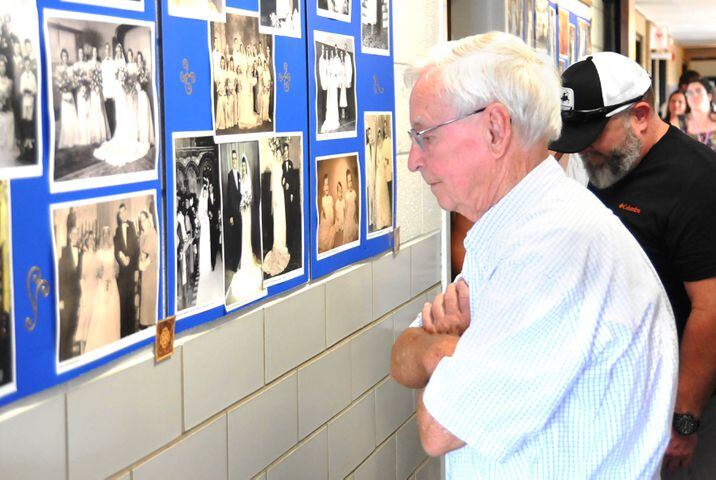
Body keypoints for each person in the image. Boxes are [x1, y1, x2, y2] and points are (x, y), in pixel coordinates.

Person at [390, 32, 678, 478]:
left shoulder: (554, 247)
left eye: (425, 136)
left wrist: (448, 348)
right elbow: (403, 356)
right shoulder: (513, 230)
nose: (413, 160)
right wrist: (453, 351)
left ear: (495, 129)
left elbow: (438, 428)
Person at [550, 52, 716, 479]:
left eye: (593, 135)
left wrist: (685, 419)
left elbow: (711, 309)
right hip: (627, 396)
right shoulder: (613, 163)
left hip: (687, 404)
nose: (584, 150)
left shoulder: (696, 182)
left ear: (640, 115)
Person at [86, 226, 120, 353]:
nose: (106, 236)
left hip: (112, 284)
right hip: (102, 286)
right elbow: (95, 271)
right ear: (102, 236)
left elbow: (116, 268)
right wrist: (102, 275)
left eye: (108, 233)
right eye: (104, 234)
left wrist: (113, 273)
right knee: (102, 314)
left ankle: (112, 342)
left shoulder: (113, 250)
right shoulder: (99, 252)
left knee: (112, 313)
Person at [262, 145, 290, 276]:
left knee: (282, 220)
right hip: (277, 195)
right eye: (278, 154)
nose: (279, 155)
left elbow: (283, 180)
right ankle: (278, 244)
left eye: (280, 154)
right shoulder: (274, 165)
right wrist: (274, 202)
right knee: (277, 220)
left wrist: (284, 181)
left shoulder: (282, 164)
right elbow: (273, 186)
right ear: (275, 154)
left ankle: (282, 242)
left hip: (282, 193)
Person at [113, 203, 139, 338]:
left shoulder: (132, 226)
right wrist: (121, 257)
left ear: (127, 212)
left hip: (131, 271)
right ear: (119, 215)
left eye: (124, 212)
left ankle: (132, 332)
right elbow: (116, 250)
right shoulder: (117, 231)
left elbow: (136, 247)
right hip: (122, 273)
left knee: (131, 302)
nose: (122, 215)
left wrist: (132, 261)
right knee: (123, 302)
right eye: (120, 213)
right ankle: (123, 334)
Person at [58, 225, 82, 361]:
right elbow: (60, 276)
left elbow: (79, 275)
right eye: (73, 233)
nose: (75, 235)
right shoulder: (64, 252)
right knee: (65, 328)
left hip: (76, 296)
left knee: (72, 327)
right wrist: (60, 299)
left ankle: (68, 357)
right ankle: (62, 357)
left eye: (77, 233)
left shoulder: (80, 252)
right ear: (69, 235)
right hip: (66, 297)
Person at [75, 231, 99, 354]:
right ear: (86, 241)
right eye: (88, 239)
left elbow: (100, 273)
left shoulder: (96, 256)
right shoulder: (84, 256)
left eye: (92, 239)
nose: (91, 241)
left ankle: (93, 349)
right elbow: (81, 277)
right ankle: (82, 351)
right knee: (85, 318)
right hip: (87, 289)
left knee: (94, 318)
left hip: (96, 288)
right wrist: (83, 294)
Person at [681, 78, 716, 151]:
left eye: (698, 91)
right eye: (690, 93)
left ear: (709, 96)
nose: (694, 96)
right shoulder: (678, 122)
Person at [55, 48, 79, 150]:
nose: (65, 58)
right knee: (66, 117)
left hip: (70, 93)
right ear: (61, 57)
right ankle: (67, 139)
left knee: (72, 115)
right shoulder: (59, 69)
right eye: (63, 56)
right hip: (64, 95)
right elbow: (58, 83)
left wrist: (70, 86)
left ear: (67, 57)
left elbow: (74, 82)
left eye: (66, 56)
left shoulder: (70, 68)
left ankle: (75, 139)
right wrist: (63, 88)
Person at [137, 210, 157, 329]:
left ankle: (151, 322)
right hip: (145, 270)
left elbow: (146, 253)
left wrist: (142, 259)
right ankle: (147, 322)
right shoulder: (143, 234)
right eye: (141, 221)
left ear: (148, 220)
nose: (142, 223)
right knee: (146, 296)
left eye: (144, 220)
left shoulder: (151, 233)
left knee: (150, 296)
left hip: (151, 269)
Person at [0, 56, 19, 166]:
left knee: (8, 135)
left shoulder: (9, 82)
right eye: (0, 66)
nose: (1, 68)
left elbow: (10, 97)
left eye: (3, 66)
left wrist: (4, 100)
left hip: (7, 110)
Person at [225, 150, 242, 272]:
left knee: (240, 237)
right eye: (233, 159)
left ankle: (239, 261)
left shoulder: (240, 175)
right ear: (231, 161)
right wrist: (230, 216)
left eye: (236, 158)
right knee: (234, 239)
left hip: (240, 211)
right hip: (233, 213)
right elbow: (229, 197)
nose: (235, 161)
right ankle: (234, 265)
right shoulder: (229, 175)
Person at [374, 128, 392, 229]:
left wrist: (385, 162)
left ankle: (385, 219)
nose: (380, 138)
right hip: (379, 175)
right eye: (379, 136)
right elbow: (377, 163)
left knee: (384, 197)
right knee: (380, 196)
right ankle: (380, 220)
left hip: (383, 174)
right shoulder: (377, 150)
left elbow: (385, 161)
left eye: (381, 136)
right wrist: (382, 165)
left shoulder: (383, 147)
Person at [101, 43, 117, 136]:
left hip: (112, 91)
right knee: (107, 113)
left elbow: (114, 78)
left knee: (113, 114)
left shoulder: (113, 62)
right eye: (106, 49)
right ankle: (109, 134)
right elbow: (102, 79)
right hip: (105, 91)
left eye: (108, 49)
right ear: (104, 51)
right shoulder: (102, 63)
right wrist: (103, 94)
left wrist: (115, 93)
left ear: (110, 50)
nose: (107, 51)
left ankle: (114, 133)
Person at [317, 173, 335, 252]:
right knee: (323, 230)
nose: (326, 187)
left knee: (329, 230)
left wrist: (332, 217)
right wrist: (324, 212)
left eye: (327, 185)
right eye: (325, 185)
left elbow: (332, 207)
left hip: (330, 215)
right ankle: (323, 246)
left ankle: (328, 246)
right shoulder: (323, 198)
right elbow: (323, 207)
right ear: (323, 188)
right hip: (325, 215)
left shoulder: (331, 198)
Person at [343, 169, 358, 242]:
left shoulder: (354, 193)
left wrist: (356, 217)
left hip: (353, 215)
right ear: (347, 183)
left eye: (351, 181)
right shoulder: (346, 194)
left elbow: (355, 206)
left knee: (355, 230)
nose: (350, 183)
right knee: (349, 232)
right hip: (348, 216)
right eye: (349, 182)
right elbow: (345, 208)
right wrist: (345, 219)